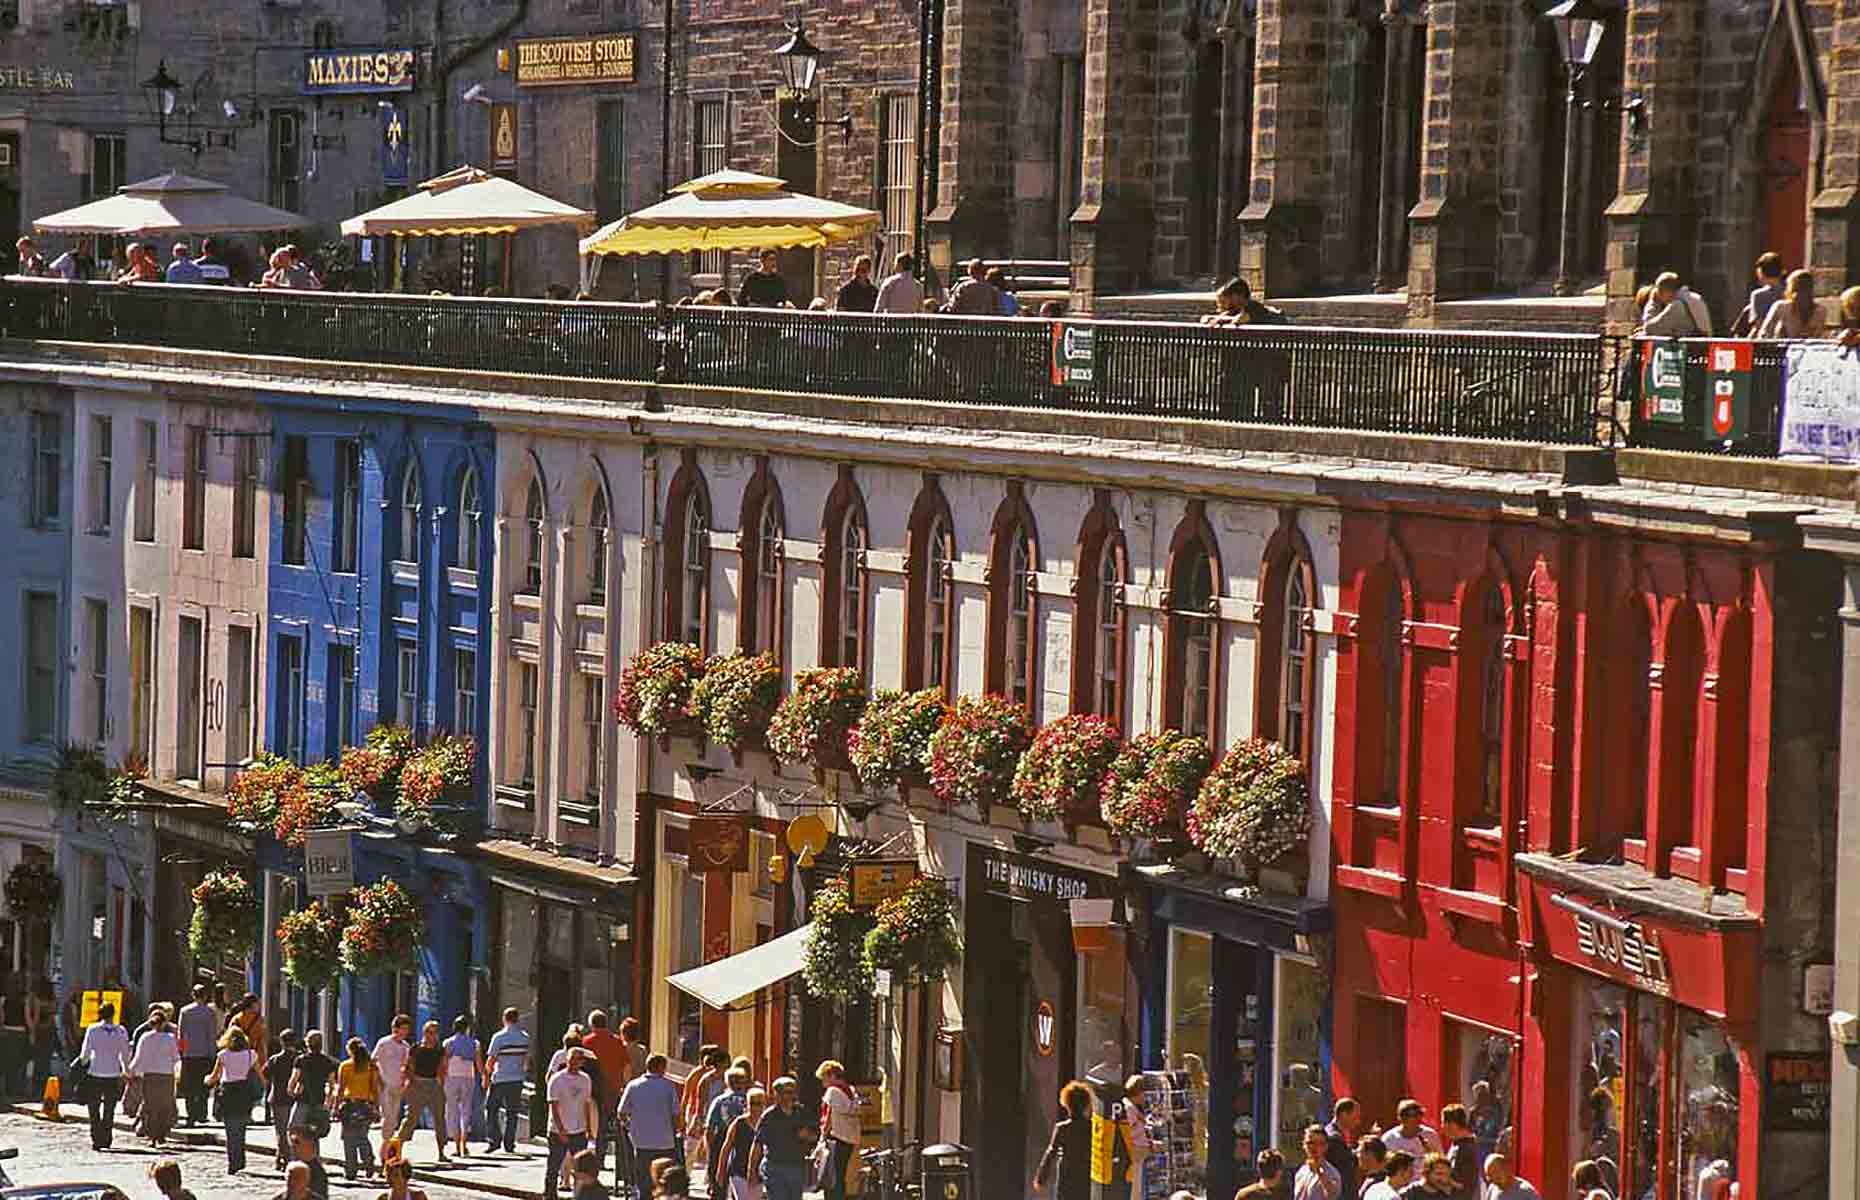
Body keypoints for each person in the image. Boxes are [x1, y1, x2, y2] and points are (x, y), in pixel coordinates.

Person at [620, 1053, 682, 1200]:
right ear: (661, 1067)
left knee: (643, 1181)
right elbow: (675, 1114)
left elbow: (621, 1112)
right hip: (664, 1141)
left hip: (641, 1141)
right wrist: (676, 1129)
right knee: (664, 1180)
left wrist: (630, 1128)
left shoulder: (633, 1085)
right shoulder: (668, 1086)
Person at [748, 1076, 813, 1200]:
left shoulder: (802, 1112)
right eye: (788, 1092)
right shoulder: (769, 1116)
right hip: (775, 1168)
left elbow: (815, 1135)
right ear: (777, 1095)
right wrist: (751, 1171)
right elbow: (757, 1144)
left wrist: (808, 1135)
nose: (792, 1096)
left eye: (794, 1092)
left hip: (796, 1167)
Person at [546, 1047, 598, 1200]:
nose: (574, 1062)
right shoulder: (557, 1079)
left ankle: (580, 1195)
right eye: (571, 1059)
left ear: (582, 1062)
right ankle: (549, 1194)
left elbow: (586, 1104)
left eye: (578, 1060)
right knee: (554, 1165)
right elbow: (553, 1107)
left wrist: (588, 1128)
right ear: (566, 1060)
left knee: (581, 1167)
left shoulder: (585, 1080)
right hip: (558, 1131)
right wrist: (561, 1130)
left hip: (579, 1130)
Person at [207, 1025, 260, 1174]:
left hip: (228, 1093)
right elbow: (260, 1075)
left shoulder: (223, 1055)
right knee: (241, 1129)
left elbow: (215, 1076)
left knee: (231, 1131)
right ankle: (241, 1161)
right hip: (244, 1093)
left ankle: (233, 1163)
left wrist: (206, 1081)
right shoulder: (251, 1055)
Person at [79, 1000, 130, 1150]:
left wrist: (83, 1063)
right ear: (114, 1014)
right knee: (109, 1108)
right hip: (113, 1073)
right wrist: (126, 1071)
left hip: (95, 1072)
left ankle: (96, 1137)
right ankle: (106, 1137)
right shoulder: (121, 1031)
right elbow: (125, 1054)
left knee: (93, 1107)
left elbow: (85, 1054)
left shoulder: (93, 1030)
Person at [127, 1006, 180, 1144]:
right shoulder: (170, 1038)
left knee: (150, 1106)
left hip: (150, 1075)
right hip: (166, 1076)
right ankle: (161, 1134)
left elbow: (139, 1057)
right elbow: (176, 1057)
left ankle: (152, 1136)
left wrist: (130, 1071)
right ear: (163, 1023)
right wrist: (178, 1072)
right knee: (164, 1106)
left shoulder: (145, 1037)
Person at [1031, 1080, 1091, 1200]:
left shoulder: (1062, 1128)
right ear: (1086, 1104)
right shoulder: (1092, 1127)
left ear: (1067, 1104)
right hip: (1085, 1175)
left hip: (1066, 1175)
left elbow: (1051, 1153)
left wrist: (1041, 1179)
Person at [398, 1020, 449, 1163]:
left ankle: (442, 1152)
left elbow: (443, 1066)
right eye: (427, 1032)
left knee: (439, 1118)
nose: (429, 1036)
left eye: (433, 1033)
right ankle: (397, 1149)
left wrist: (440, 1082)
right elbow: (408, 1065)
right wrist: (410, 1081)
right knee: (411, 1119)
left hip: (433, 1084)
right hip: (417, 1084)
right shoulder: (415, 1048)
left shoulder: (440, 1050)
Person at [335, 1036, 383, 1180]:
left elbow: (341, 1089)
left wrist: (336, 1107)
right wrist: (376, 1107)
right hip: (365, 1106)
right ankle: (368, 1162)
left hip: (350, 1105)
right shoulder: (371, 1067)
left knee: (349, 1138)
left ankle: (351, 1170)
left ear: (350, 1051)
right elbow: (375, 1089)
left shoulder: (345, 1066)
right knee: (362, 1136)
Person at [485, 1007, 530, 1154]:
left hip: (500, 1078)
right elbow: (526, 1059)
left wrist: (486, 1077)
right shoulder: (524, 1037)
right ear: (517, 1019)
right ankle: (509, 1143)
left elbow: (491, 1060)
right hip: (517, 1079)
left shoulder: (499, 1037)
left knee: (491, 1109)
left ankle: (494, 1139)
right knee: (512, 1112)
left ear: (505, 1019)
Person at [815, 1059, 859, 1200]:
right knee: (840, 1174)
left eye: (824, 1078)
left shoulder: (832, 1091)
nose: (823, 1083)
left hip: (836, 1137)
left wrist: (822, 1137)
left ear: (832, 1075)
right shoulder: (850, 1090)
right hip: (850, 1138)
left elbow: (829, 1116)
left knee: (831, 1176)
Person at [441, 1015, 483, 1159]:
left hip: (452, 1077)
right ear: (467, 1028)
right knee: (466, 1109)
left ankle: (457, 1145)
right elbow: (478, 1062)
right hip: (468, 1077)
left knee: (452, 1111)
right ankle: (464, 1144)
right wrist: (484, 1076)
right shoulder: (475, 1043)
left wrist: (440, 1077)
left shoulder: (448, 1043)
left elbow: (444, 1061)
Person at [177, 983, 218, 1127]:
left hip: (189, 1054)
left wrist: (181, 1052)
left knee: (189, 1086)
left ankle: (191, 1113)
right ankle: (201, 1113)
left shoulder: (185, 1011)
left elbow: (181, 1034)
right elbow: (212, 1035)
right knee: (203, 1085)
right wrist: (213, 1054)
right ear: (205, 996)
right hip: (205, 1054)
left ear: (193, 995)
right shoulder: (210, 1012)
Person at [717, 1085, 767, 1200]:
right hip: (738, 1170)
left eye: (759, 1103)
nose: (756, 1107)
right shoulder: (739, 1123)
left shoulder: (767, 1123)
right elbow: (726, 1147)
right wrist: (721, 1171)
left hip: (760, 1173)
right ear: (747, 1104)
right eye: (753, 1103)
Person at [288, 1029, 338, 1137]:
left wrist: (292, 1092)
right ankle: (314, 1153)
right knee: (316, 1131)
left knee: (294, 1128)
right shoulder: (328, 1061)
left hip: (303, 1100)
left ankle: (298, 1152)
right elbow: (332, 1085)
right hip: (319, 1100)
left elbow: (293, 1079)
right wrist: (328, 1102)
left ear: (307, 1043)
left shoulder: (301, 1060)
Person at [266, 1029, 303, 1170]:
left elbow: (266, 1075)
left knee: (281, 1131)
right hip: (294, 1098)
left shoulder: (275, 1059)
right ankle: (286, 1157)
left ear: (281, 1042)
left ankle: (284, 1158)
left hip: (278, 1098)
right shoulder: (299, 1058)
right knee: (294, 1131)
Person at [706, 1066, 753, 1175]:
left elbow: (710, 1128)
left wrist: (710, 1151)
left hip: (722, 1137)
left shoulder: (719, 1100)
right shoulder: (749, 1100)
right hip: (744, 1138)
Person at [374, 1014, 414, 1142]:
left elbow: (407, 1066)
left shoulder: (406, 1047)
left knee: (394, 1117)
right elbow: (373, 1061)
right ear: (395, 1028)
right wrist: (379, 1080)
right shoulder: (384, 1043)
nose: (405, 1032)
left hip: (399, 1085)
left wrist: (406, 1081)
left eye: (407, 1029)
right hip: (385, 1084)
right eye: (403, 1028)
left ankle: (388, 1145)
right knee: (388, 1116)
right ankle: (386, 1144)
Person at [1756, 267, 1826, 339]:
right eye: (1800, 287)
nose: (1803, 292)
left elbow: (1818, 336)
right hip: (1782, 348)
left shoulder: (1819, 311)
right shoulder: (1781, 307)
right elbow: (1764, 334)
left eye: (1806, 287)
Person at [1638, 271, 1713, 337]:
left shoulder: (1677, 306)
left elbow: (1650, 329)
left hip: (1692, 349)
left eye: (1659, 293)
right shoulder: (1695, 298)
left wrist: (1653, 302)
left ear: (1663, 291)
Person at [1728, 251, 1785, 335]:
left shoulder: (1758, 295)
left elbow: (1758, 325)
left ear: (1761, 272)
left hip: (1766, 339)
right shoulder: (1789, 292)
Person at [1204, 275, 1289, 326]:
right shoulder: (1237, 309)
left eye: (1230, 297)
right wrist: (1214, 318)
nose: (1229, 300)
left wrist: (1219, 321)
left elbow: (1238, 320)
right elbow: (1226, 315)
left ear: (1238, 296)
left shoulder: (1253, 307)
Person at [1441, 1104, 1480, 1198]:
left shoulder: (1467, 1149)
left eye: (1443, 1122)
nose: (1442, 1127)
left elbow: (1466, 1185)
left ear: (1452, 1125)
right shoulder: (1458, 1144)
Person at [1326, 1097, 1363, 1198]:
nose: (1357, 1122)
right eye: (1355, 1117)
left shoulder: (1334, 1135)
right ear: (1343, 1114)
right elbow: (1345, 1172)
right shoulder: (1334, 1139)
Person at [1296, 1125, 1343, 1200]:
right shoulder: (1301, 1172)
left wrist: (1320, 1173)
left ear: (1326, 1146)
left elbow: (1333, 1195)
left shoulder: (1332, 1173)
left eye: (1320, 1143)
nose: (1314, 1147)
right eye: (1310, 1143)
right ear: (1304, 1145)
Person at [288, 1123, 332, 1200]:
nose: (293, 1147)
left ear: (310, 1145)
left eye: (297, 1142)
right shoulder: (296, 1166)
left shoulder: (315, 1173)